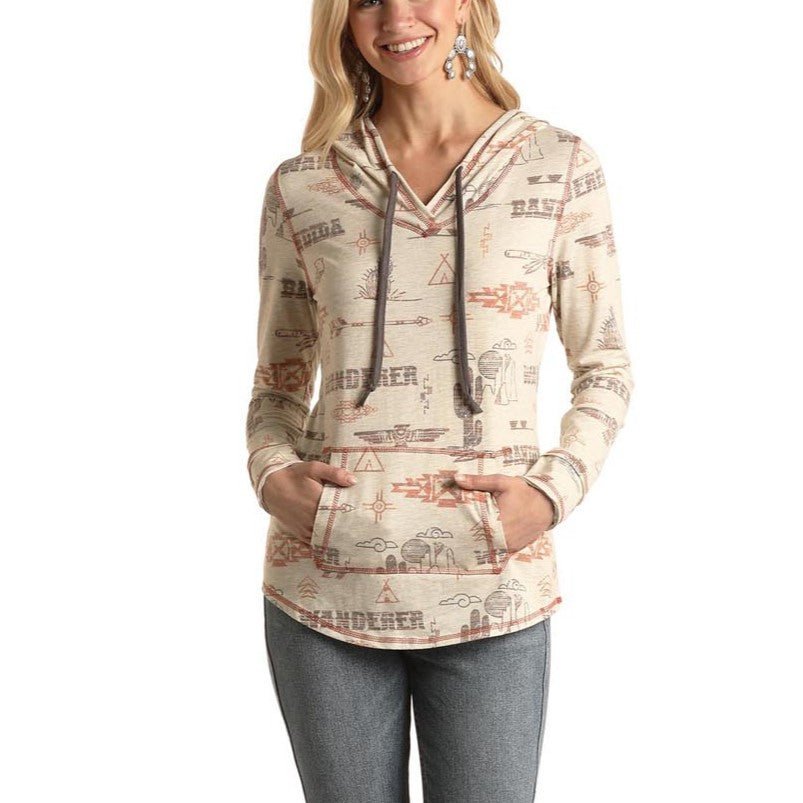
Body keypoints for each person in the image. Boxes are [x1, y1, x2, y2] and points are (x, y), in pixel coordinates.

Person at [245, 1, 634, 800]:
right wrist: (271, 474)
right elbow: (276, 383)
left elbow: (604, 366)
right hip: (323, 586)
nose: (396, 16)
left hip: (493, 586)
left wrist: (550, 493)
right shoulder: (303, 185)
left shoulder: (556, 165)